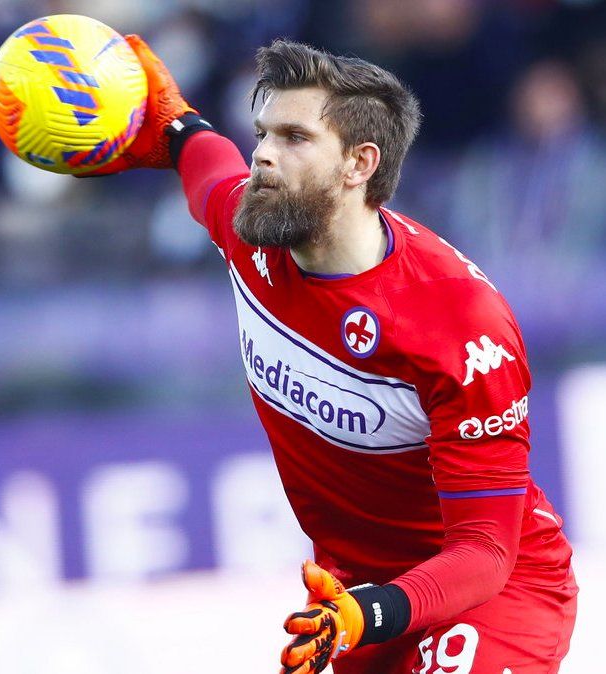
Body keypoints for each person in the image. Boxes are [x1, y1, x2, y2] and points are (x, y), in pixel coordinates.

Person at [89, 36, 578, 674]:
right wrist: (177, 125)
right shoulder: (253, 232)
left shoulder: (461, 326)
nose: (263, 154)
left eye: (294, 137)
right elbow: (210, 168)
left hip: (488, 593)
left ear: (358, 164)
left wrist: (367, 614)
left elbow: (485, 551)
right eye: (262, 133)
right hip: (353, 594)